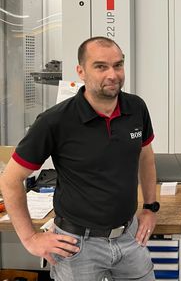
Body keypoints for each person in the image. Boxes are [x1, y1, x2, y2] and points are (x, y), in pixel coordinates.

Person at [0, 37, 159, 281]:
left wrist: (150, 207)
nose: (113, 74)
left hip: (130, 237)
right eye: (101, 66)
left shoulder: (136, 108)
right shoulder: (54, 121)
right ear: (81, 71)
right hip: (76, 246)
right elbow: (10, 180)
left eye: (118, 65)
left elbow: (145, 156)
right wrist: (30, 238)